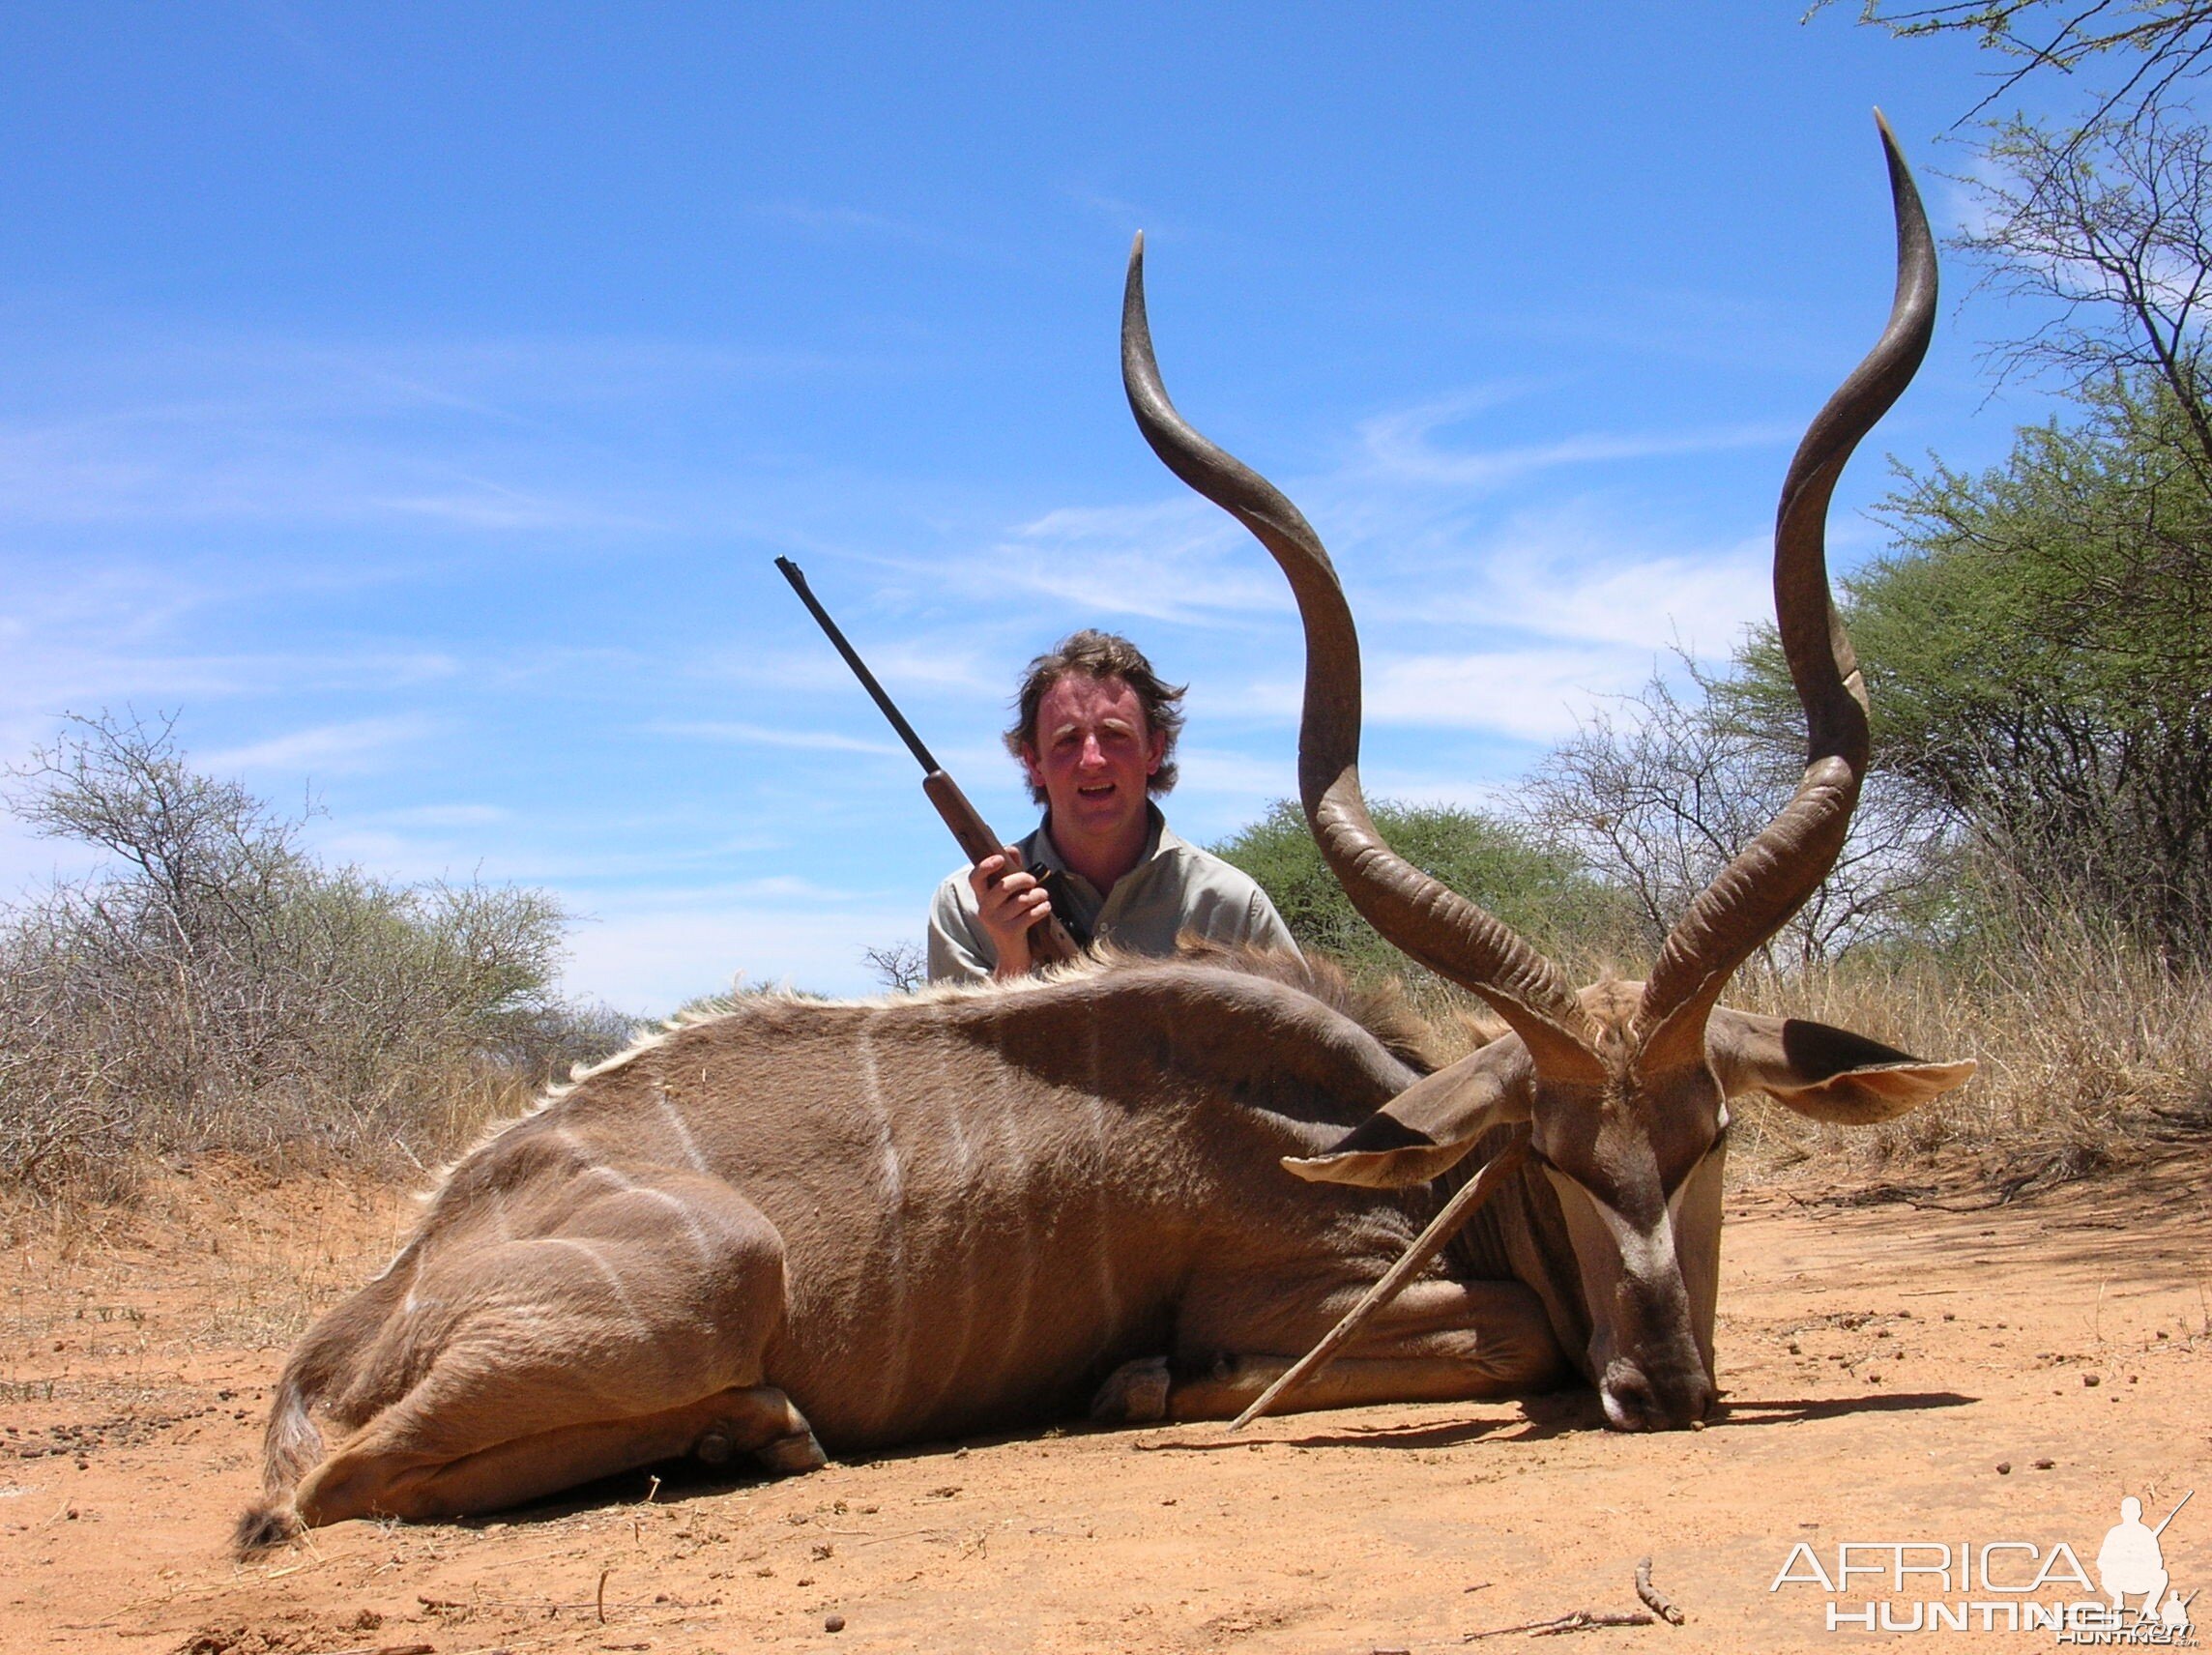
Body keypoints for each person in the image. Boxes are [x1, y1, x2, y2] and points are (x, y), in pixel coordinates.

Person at [926, 629, 1297, 984]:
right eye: (1067, 740)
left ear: (1153, 750)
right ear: (1033, 762)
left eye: (1114, 735)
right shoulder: (965, 906)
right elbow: (956, 1052)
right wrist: (1012, 965)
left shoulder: (1230, 906)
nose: (1092, 759)